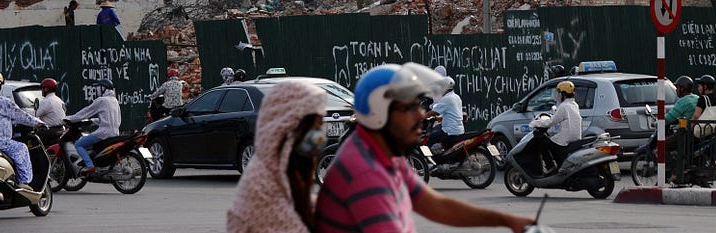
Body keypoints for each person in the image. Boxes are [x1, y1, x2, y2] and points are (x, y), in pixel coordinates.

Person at [315, 63, 533, 233]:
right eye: (409, 108)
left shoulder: (384, 154)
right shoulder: (364, 171)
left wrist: (507, 220)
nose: (420, 115)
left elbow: (437, 206)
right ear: (382, 115)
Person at [227, 79, 326, 233]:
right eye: (315, 127)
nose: (320, 137)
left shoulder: (285, 173)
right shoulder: (262, 190)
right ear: (288, 127)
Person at [0, 69, 46, 189]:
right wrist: (38, 123)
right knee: (22, 148)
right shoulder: (3, 102)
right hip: (0, 143)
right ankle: (23, 182)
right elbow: (22, 116)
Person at [64, 77, 121, 176]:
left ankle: (90, 166)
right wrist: (93, 121)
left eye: (98, 87)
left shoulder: (101, 100)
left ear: (103, 88)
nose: (97, 90)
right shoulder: (114, 100)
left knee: (79, 144)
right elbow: (110, 119)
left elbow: (86, 112)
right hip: (115, 132)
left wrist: (71, 118)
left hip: (104, 133)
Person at [528, 79, 582, 174]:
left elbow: (550, 123)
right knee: (552, 143)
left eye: (559, 93)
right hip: (576, 136)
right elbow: (561, 116)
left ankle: (551, 167)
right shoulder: (574, 104)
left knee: (542, 143)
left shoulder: (564, 106)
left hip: (566, 137)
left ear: (563, 94)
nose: (558, 95)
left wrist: (535, 123)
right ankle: (560, 166)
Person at [425, 76, 464, 153]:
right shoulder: (456, 97)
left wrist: (420, 116)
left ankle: (429, 162)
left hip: (449, 131)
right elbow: (453, 114)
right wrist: (439, 118)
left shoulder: (446, 98)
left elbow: (433, 112)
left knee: (428, 139)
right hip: (459, 130)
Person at [35, 77, 66, 144]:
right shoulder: (59, 100)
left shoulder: (46, 101)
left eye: (42, 88)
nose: (41, 91)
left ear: (46, 89)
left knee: (32, 139)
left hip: (49, 132)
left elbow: (35, 115)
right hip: (61, 129)